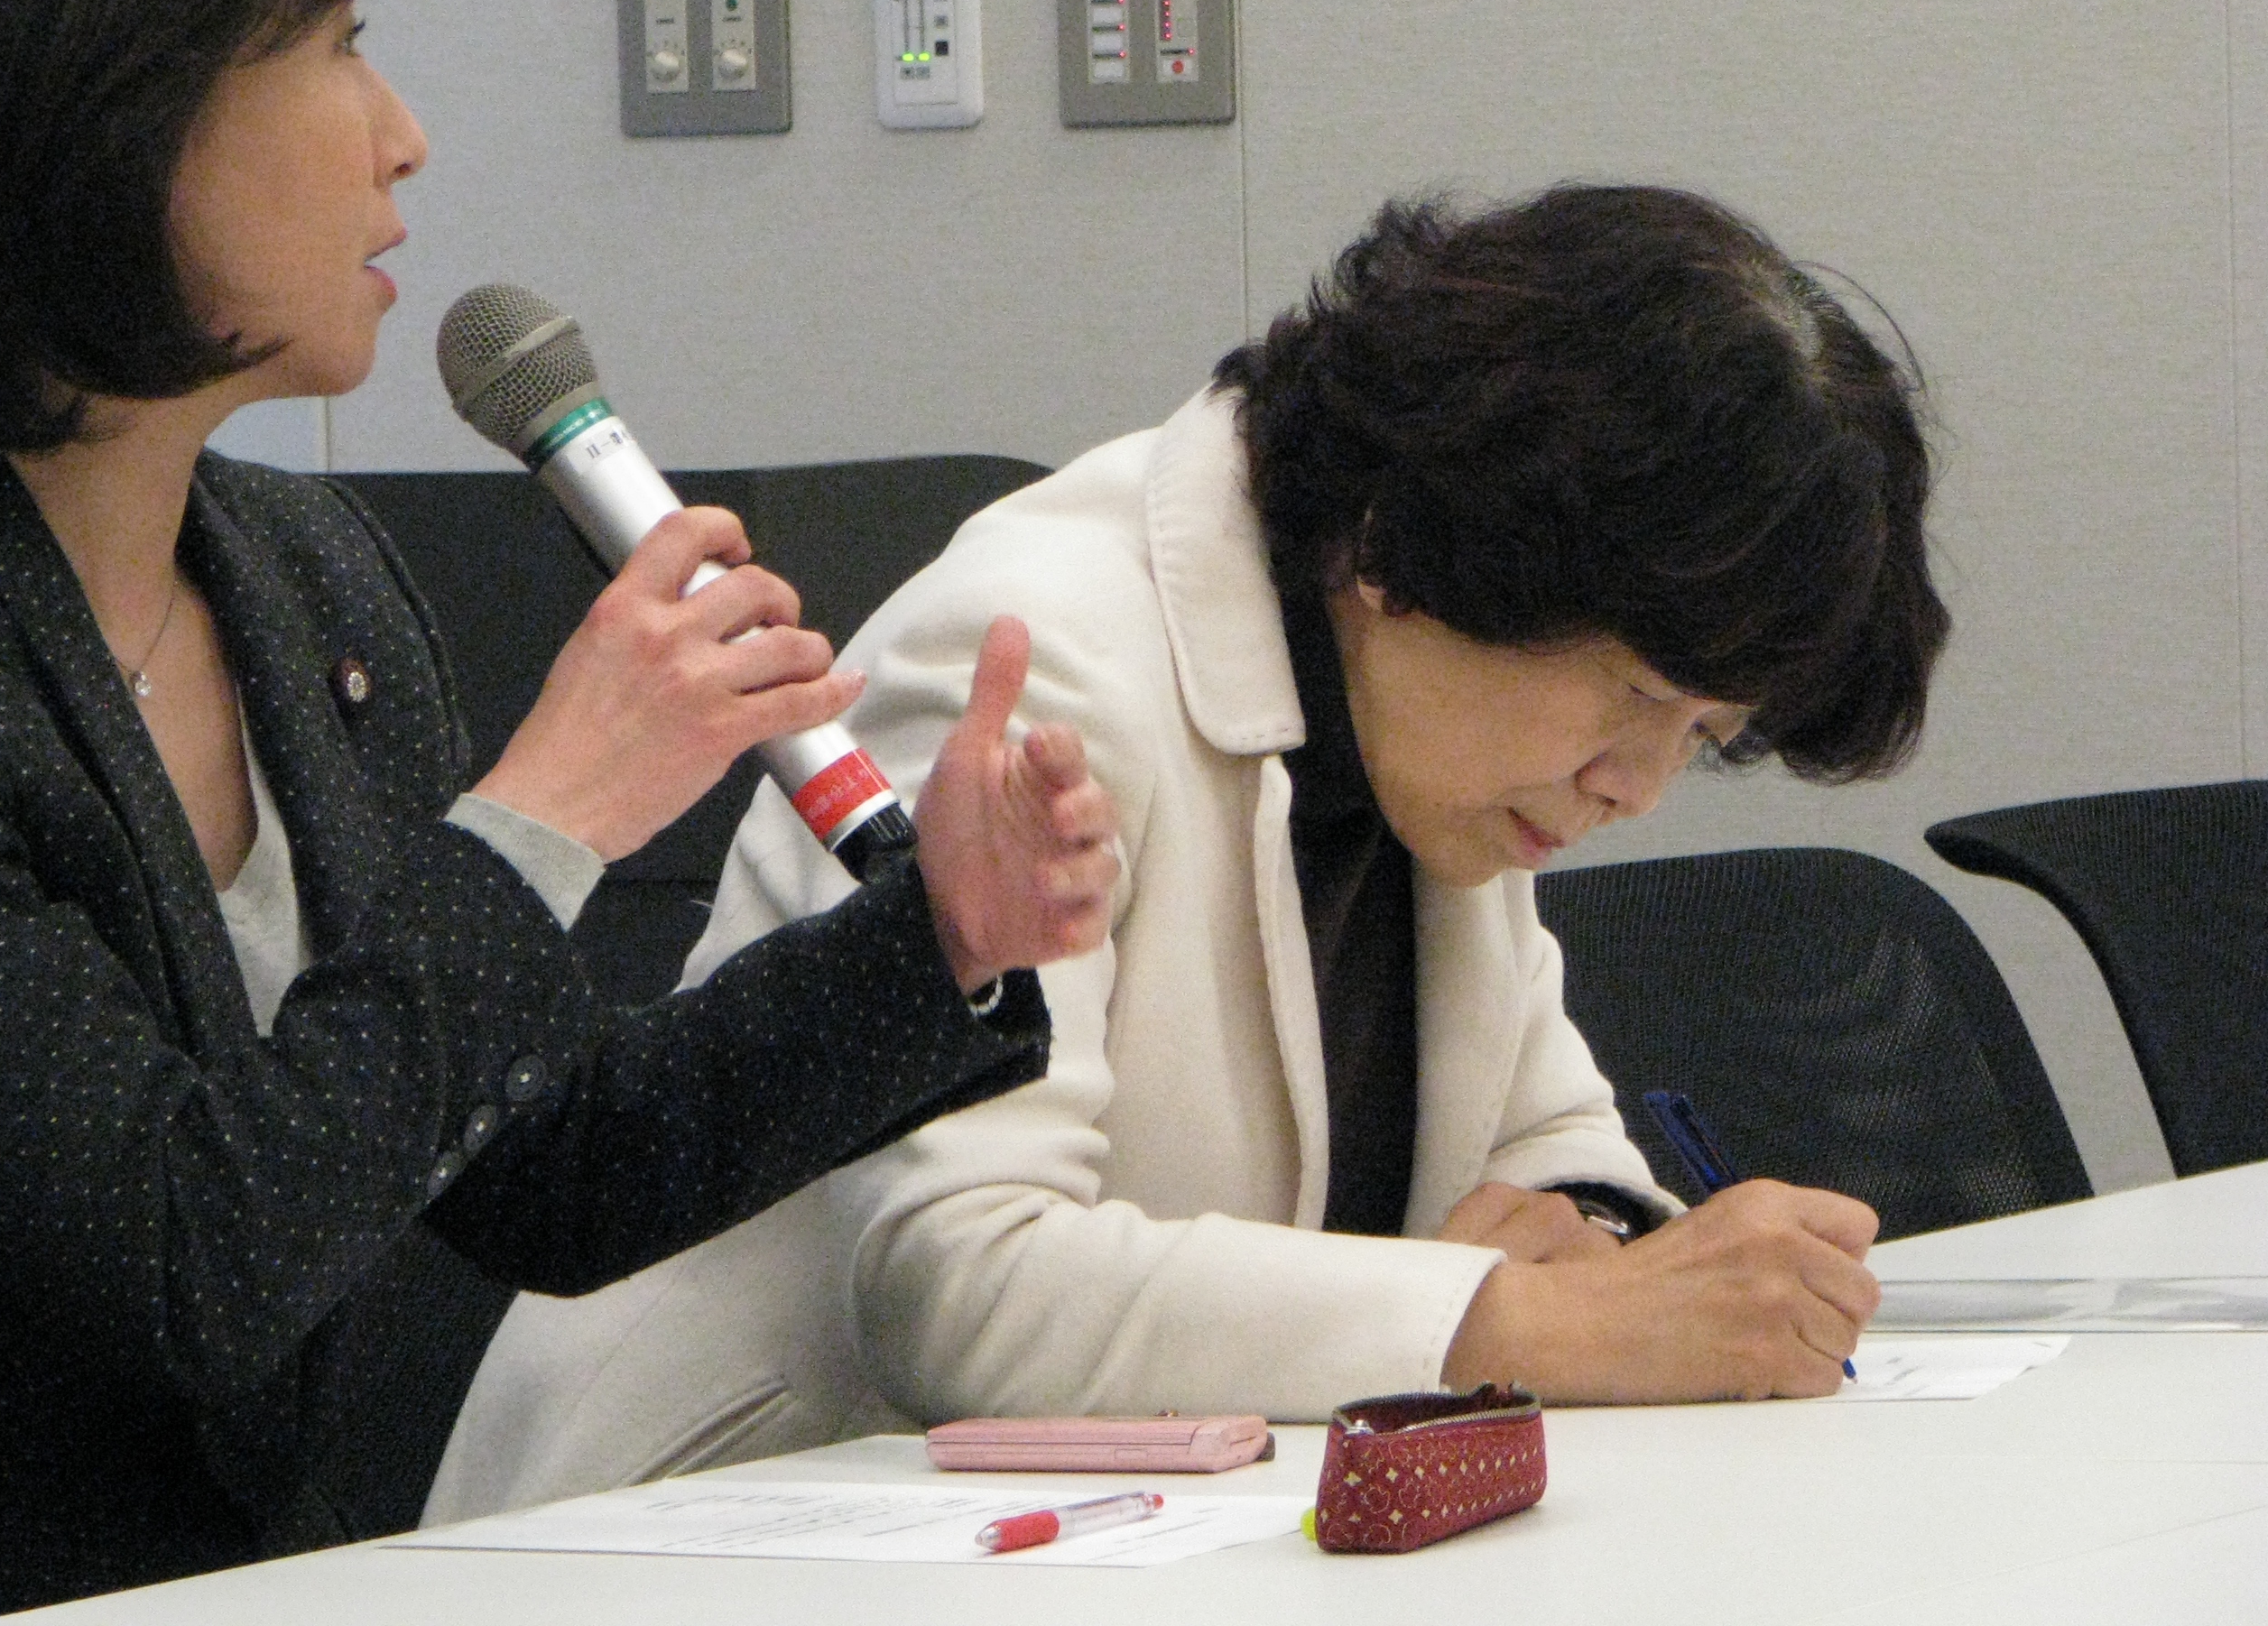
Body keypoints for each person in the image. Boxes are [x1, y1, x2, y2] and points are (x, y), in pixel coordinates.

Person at [0, 0, 1116, 1626]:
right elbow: (192, 1263)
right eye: (333, 44)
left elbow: (545, 1173)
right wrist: (547, 817)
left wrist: (936, 934)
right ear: (105, 120)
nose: (402, 136)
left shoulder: (298, 574)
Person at [427, 182, 1947, 1522]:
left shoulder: (1438, 727)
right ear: (1402, 550)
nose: (1640, 787)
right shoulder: (1041, 648)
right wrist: (1537, 1322)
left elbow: (1548, 1139)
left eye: (1701, 731)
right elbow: (961, 1287)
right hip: (710, 1537)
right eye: (1634, 699)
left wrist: (1604, 1244)